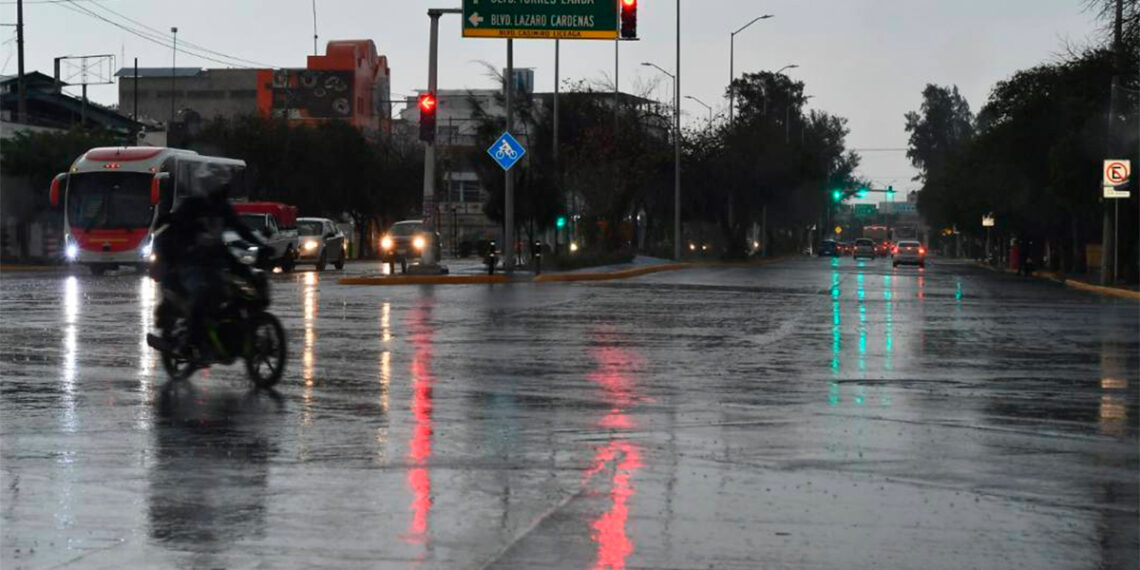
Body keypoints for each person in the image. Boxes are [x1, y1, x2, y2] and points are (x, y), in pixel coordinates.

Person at [153, 180, 264, 359]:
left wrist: (262, 247)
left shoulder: (223, 208)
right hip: (190, 263)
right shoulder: (191, 206)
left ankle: (235, 331)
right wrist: (192, 242)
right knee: (203, 293)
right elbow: (177, 231)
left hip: (218, 261)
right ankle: (189, 343)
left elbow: (241, 229)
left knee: (249, 282)